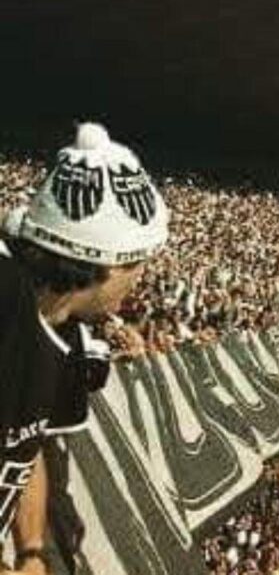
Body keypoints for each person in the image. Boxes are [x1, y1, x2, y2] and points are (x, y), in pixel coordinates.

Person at [0, 123, 169, 574]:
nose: (139, 280)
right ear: (106, 261)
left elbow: (24, 449)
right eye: (138, 263)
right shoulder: (6, 305)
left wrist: (31, 550)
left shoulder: (64, 331)